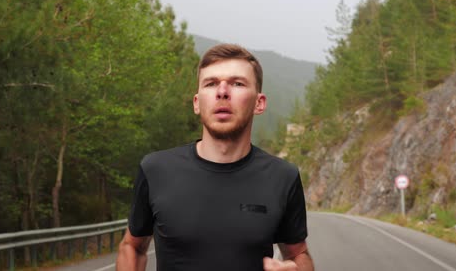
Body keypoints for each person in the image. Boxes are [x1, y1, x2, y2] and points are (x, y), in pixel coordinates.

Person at [116, 44, 314, 271]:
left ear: (259, 103)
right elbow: (132, 247)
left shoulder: (283, 177)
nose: (222, 91)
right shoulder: (155, 169)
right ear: (197, 103)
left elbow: (299, 254)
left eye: (237, 83)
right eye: (210, 84)